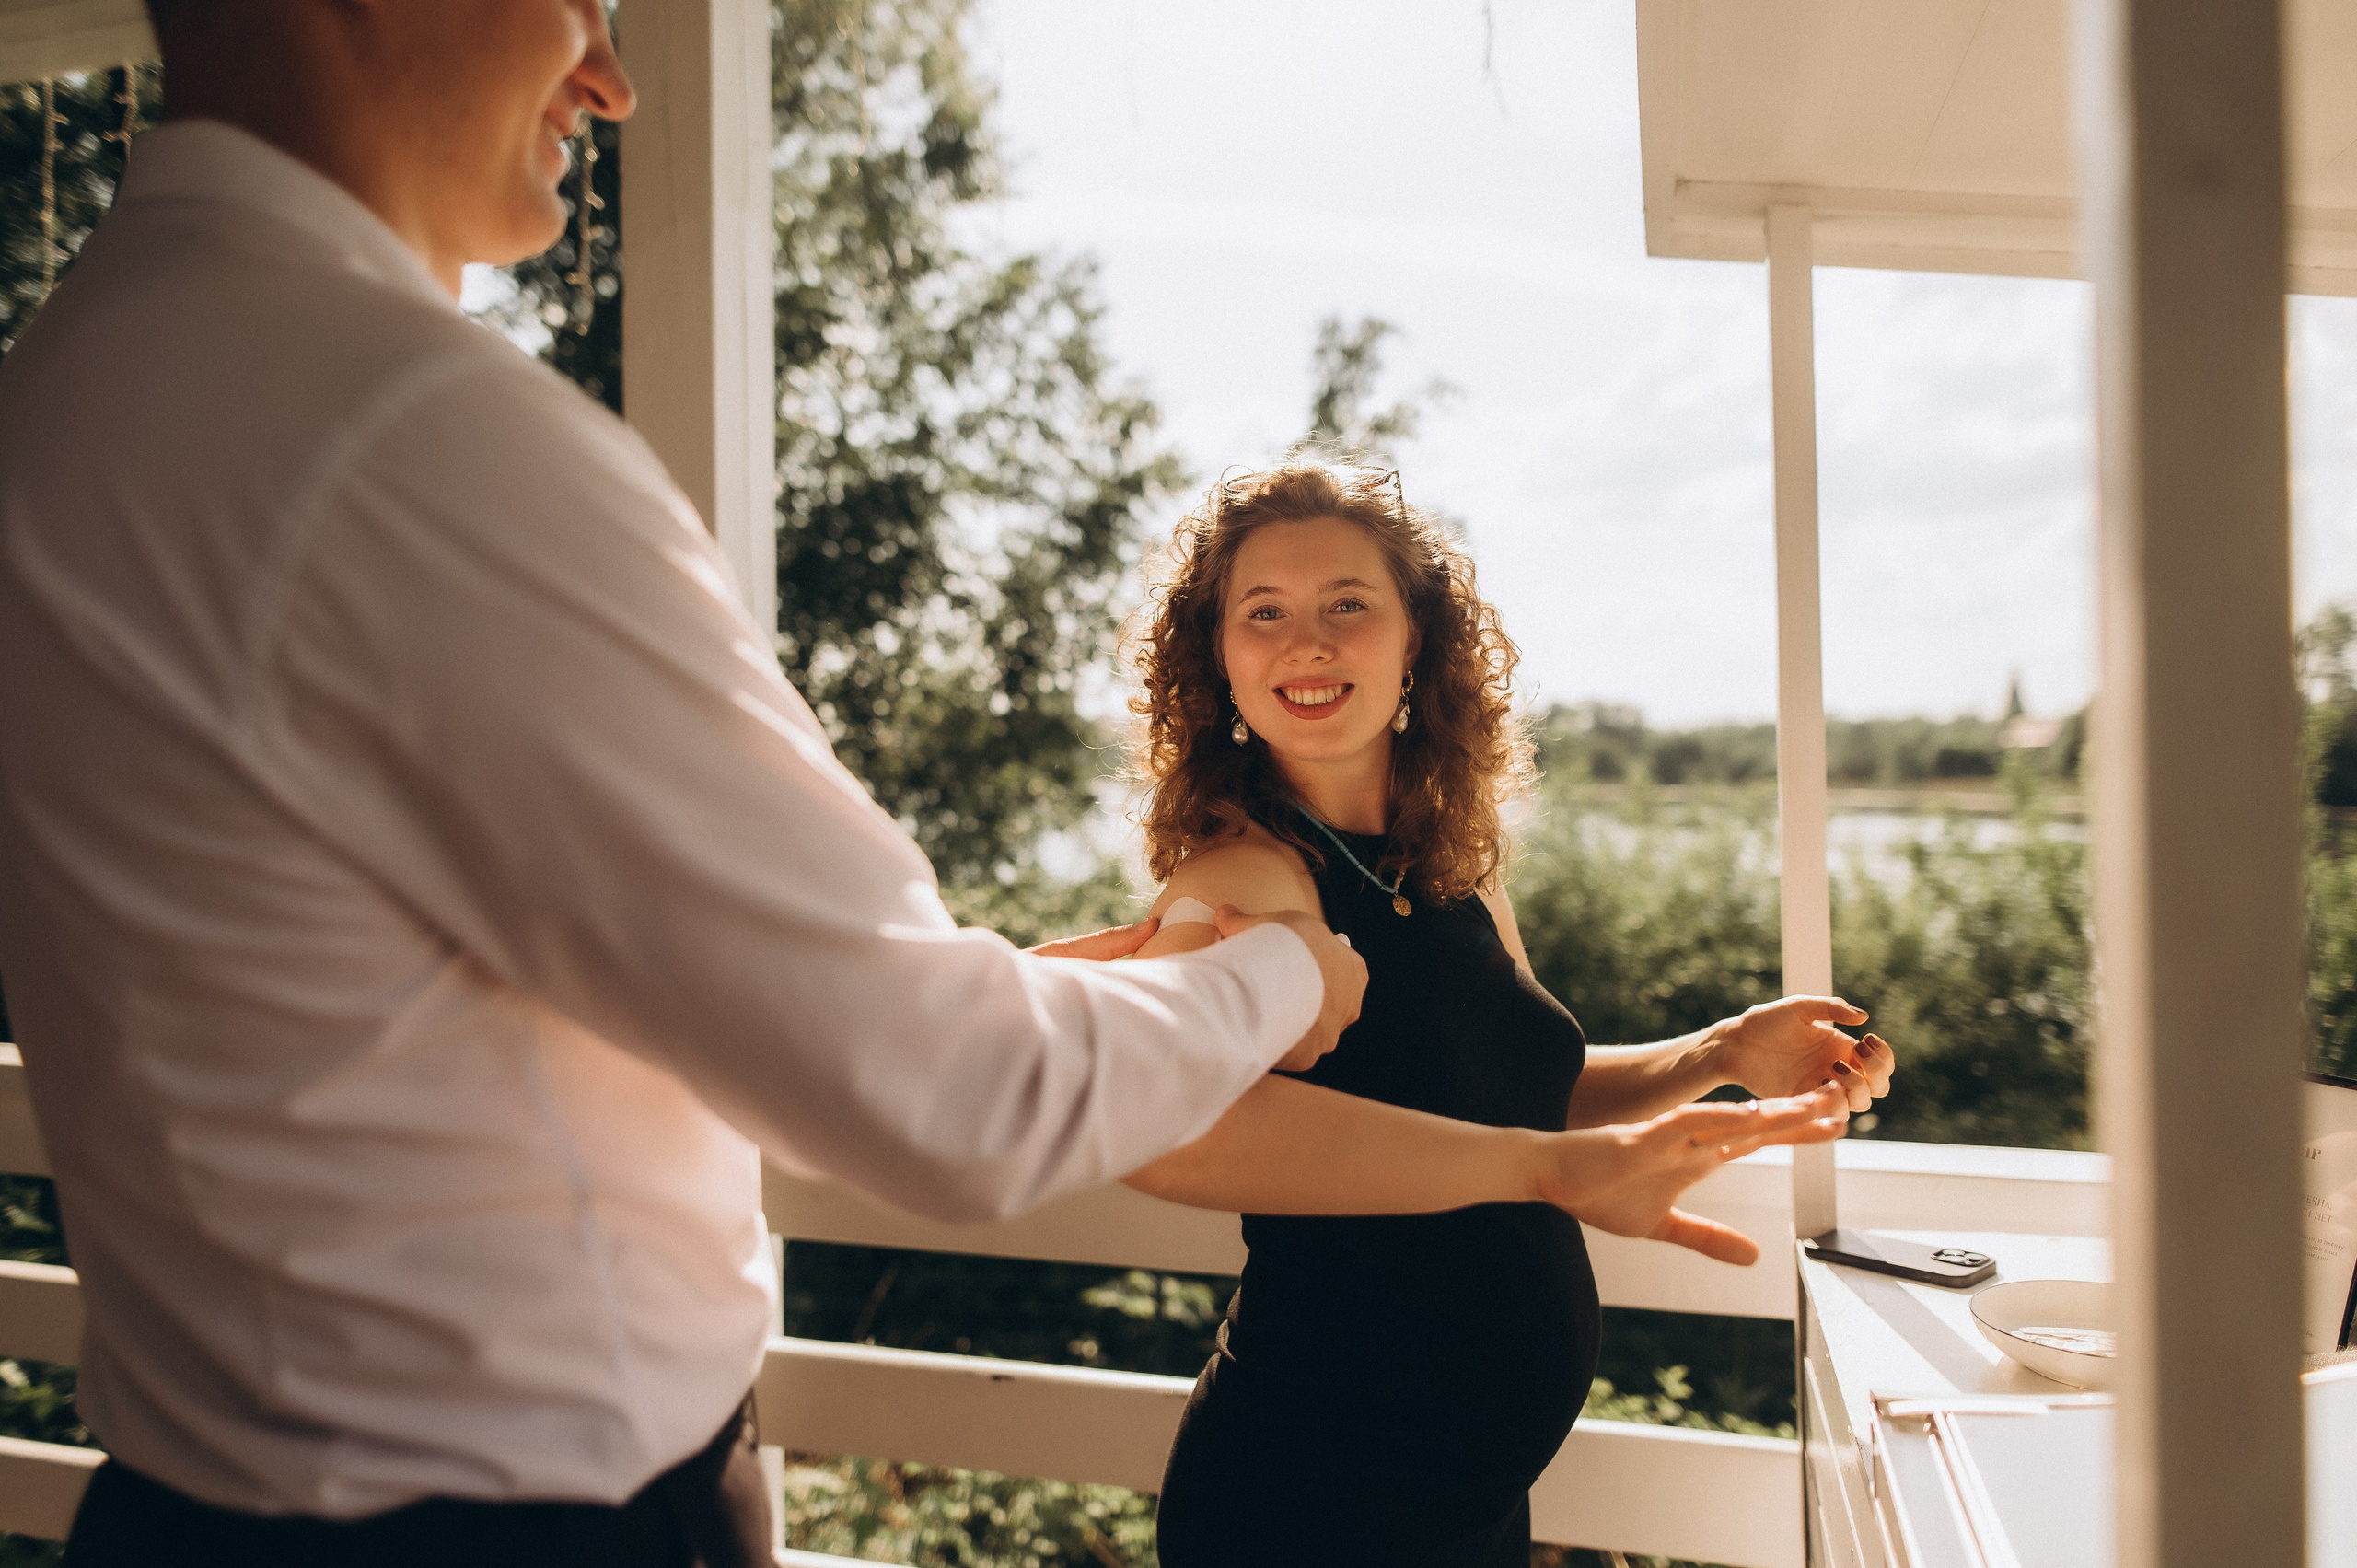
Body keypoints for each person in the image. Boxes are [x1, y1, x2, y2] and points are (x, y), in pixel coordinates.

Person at [0, 5, 1863, 1565]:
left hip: (209, 1499)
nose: (613, 75)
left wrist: (1696, 1054)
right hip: (503, 1526)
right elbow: (947, 1085)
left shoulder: (79, 386)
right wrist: (1272, 980)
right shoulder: (415, 433)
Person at [1123, 462, 1896, 1568]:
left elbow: (1512, 1092)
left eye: (1347, 603)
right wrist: (1542, 1170)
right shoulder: (1242, 881)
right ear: (1218, 659)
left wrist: (1717, 1051)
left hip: (1463, 1507)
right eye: (1264, 612)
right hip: (1310, 1498)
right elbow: (1167, 1122)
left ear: (1415, 641)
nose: (1308, 643)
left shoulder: (1447, 863)